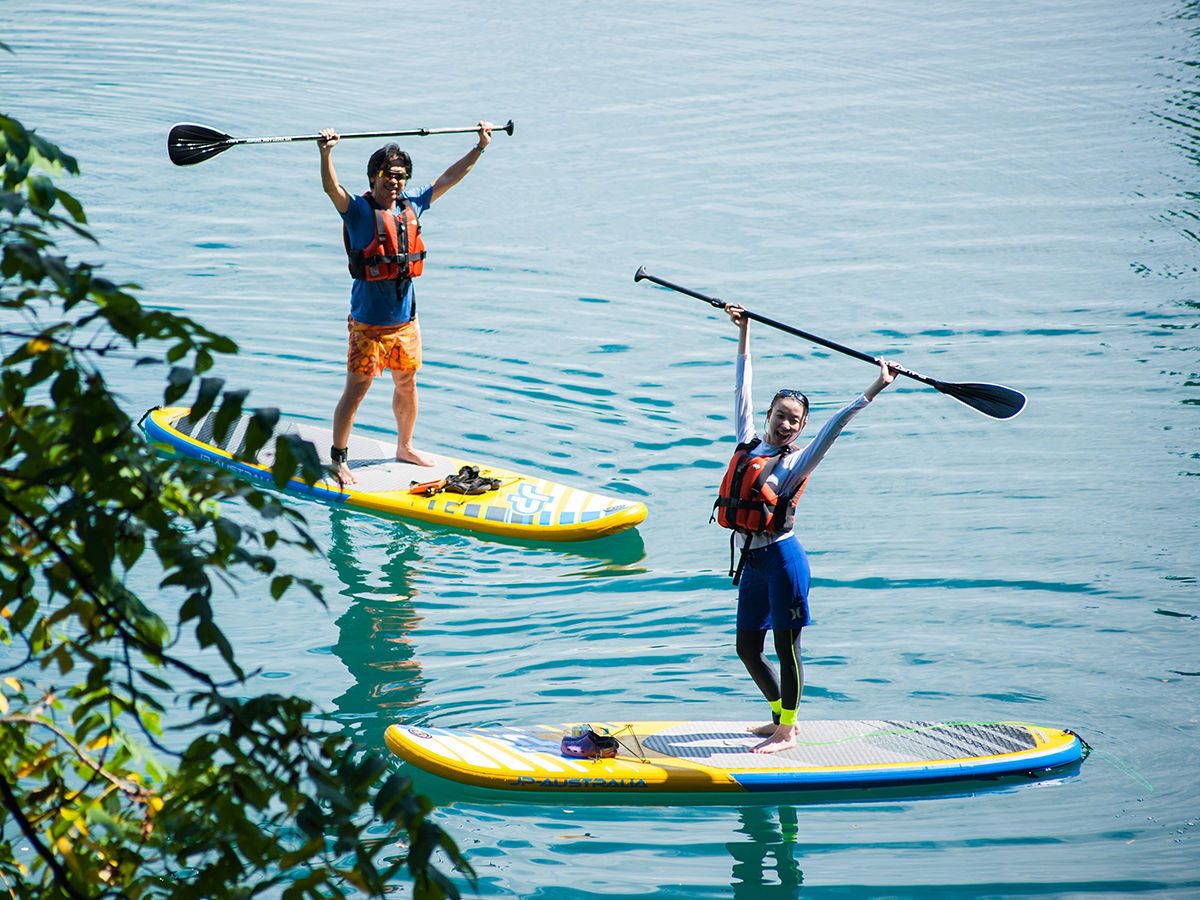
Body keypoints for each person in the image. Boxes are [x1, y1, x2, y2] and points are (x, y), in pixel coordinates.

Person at [718, 305, 899, 753]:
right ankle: (782, 717)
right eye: (779, 415)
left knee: (786, 647)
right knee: (746, 648)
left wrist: (875, 387)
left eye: (794, 420)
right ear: (769, 415)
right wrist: (744, 334)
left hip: (783, 561)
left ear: (801, 427)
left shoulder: (798, 460)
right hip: (753, 563)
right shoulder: (747, 441)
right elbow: (740, 388)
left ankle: (787, 731)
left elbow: (836, 426)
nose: (784, 424)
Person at [317, 121, 494, 484]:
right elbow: (331, 188)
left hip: (405, 323)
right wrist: (326, 153)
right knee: (357, 389)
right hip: (368, 324)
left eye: (400, 175)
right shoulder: (358, 211)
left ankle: (405, 446)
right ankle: (338, 459)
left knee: (407, 384)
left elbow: (448, 178)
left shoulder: (412, 205)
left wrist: (479, 147)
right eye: (387, 174)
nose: (394, 181)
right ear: (373, 177)